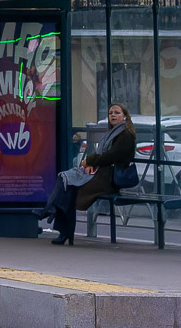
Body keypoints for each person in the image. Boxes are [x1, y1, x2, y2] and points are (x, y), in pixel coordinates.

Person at [41, 103, 138, 245]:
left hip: (110, 179)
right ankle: (54, 215)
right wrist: (93, 163)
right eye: (111, 113)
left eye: (117, 113)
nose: (113, 115)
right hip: (102, 173)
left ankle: (54, 217)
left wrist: (90, 161)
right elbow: (105, 157)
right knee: (63, 178)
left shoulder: (125, 135)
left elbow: (111, 156)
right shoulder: (112, 133)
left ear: (125, 116)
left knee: (70, 190)